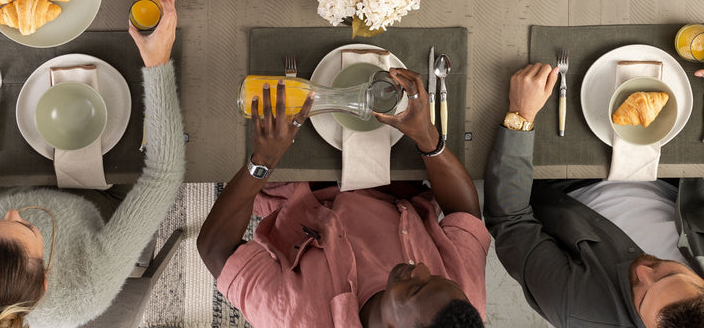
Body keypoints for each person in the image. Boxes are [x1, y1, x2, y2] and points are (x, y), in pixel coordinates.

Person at [484, 26, 704, 328]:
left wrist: (520, 116)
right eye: (668, 274)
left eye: (642, 297)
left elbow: (510, 222)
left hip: (561, 174)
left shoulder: (575, 309)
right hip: (671, 163)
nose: (645, 271)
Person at [0, 0, 184, 328]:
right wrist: (158, 65)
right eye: (26, 227)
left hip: (21, 183)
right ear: (45, 278)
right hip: (101, 197)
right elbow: (162, 176)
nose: (13, 213)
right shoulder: (86, 291)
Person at [197, 68, 490, 327]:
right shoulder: (461, 304)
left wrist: (263, 160)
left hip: (297, 178)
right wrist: (427, 137)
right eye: (438, 277)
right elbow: (465, 213)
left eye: (415, 289)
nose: (423, 269)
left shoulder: (296, 317)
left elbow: (215, 247)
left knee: (225, 96)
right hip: (395, 174)